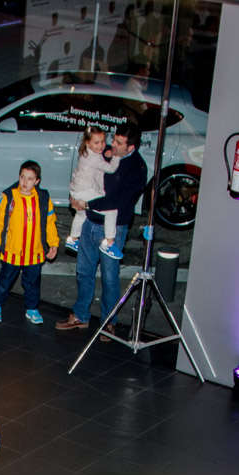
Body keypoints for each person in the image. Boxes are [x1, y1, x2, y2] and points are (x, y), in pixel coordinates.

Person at [56, 123, 148, 331]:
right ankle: (81, 315)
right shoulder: (103, 151)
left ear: (131, 147)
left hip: (113, 228)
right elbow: (84, 175)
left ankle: (108, 323)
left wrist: (87, 204)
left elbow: (119, 200)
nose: (112, 144)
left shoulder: (137, 169)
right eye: (113, 139)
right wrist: (75, 196)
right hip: (89, 220)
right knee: (83, 272)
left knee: (109, 278)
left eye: (118, 143)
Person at [0, 161, 60, 325]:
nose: (25, 182)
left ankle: (32, 308)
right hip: (12, 251)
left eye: (30, 179)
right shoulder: (9, 197)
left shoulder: (43, 199)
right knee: (5, 280)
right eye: (22, 177)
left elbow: (50, 223)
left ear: (37, 181)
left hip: (35, 252)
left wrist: (53, 244)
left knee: (33, 283)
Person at [66, 128, 120, 258]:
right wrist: (117, 155)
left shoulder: (86, 153)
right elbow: (111, 168)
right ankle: (109, 243)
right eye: (97, 143)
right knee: (111, 211)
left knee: (81, 213)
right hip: (86, 191)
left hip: (76, 190)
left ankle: (73, 238)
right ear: (87, 143)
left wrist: (108, 154)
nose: (101, 145)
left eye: (103, 141)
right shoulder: (93, 158)